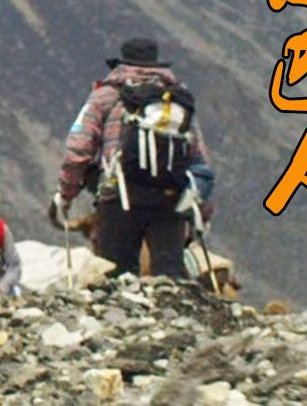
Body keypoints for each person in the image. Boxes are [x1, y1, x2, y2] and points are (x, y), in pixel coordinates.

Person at [52, 37, 212, 279]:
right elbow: (198, 156)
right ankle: (173, 314)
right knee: (170, 278)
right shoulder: (178, 98)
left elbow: (78, 149)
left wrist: (66, 195)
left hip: (120, 195)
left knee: (115, 276)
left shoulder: (105, 95)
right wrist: (200, 207)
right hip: (170, 197)